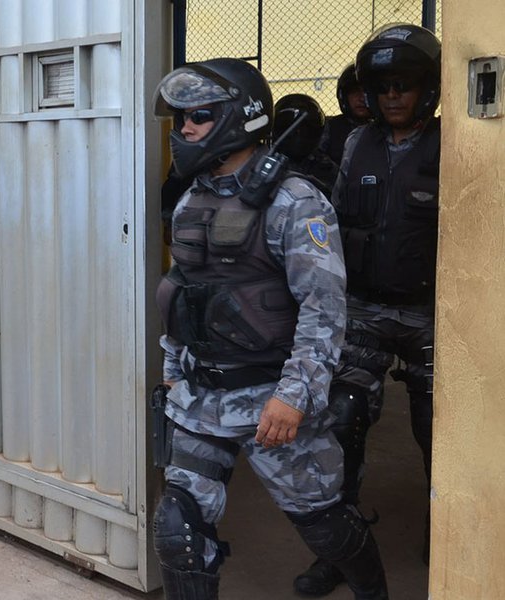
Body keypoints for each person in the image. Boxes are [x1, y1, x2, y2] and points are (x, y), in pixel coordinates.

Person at [150, 58, 388, 600]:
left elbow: (323, 310)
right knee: (178, 528)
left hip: (271, 403)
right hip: (198, 397)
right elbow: (184, 294)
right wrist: (172, 373)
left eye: (199, 116)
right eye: (182, 117)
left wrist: (295, 396)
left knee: (324, 524)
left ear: (239, 118)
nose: (184, 128)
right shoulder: (193, 198)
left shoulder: (296, 202)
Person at [292, 23, 441, 597]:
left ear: (426, 89)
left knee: (437, 431)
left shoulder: (452, 143)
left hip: (431, 314)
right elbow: (328, 225)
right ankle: (341, 551)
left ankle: (445, 531)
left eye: (404, 86)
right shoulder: (355, 144)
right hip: (365, 311)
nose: (392, 97)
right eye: (383, 88)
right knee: (342, 420)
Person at [272, 93, 339, 197]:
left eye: (306, 130)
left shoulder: (325, 167)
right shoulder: (269, 165)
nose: (299, 134)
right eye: (293, 129)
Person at [319, 64, 372, 166]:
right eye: (354, 92)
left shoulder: (386, 129)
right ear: (344, 96)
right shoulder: (330, 127)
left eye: (366, 91)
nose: (361, 98)